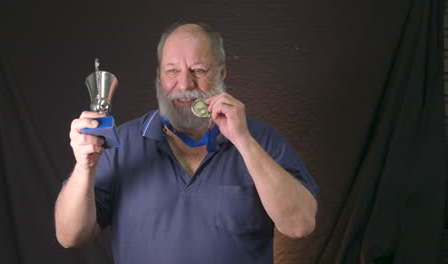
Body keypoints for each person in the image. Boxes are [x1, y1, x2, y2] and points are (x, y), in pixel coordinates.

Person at [55, 22, 318, 264]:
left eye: (198, 70)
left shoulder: (260, 139)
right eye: (173, 71)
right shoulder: (121, 143)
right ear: (159, 76)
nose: (184, 84)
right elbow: (69, 235)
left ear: (222, 74)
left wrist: (243, 141)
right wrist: (85, 166)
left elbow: (300, 225)